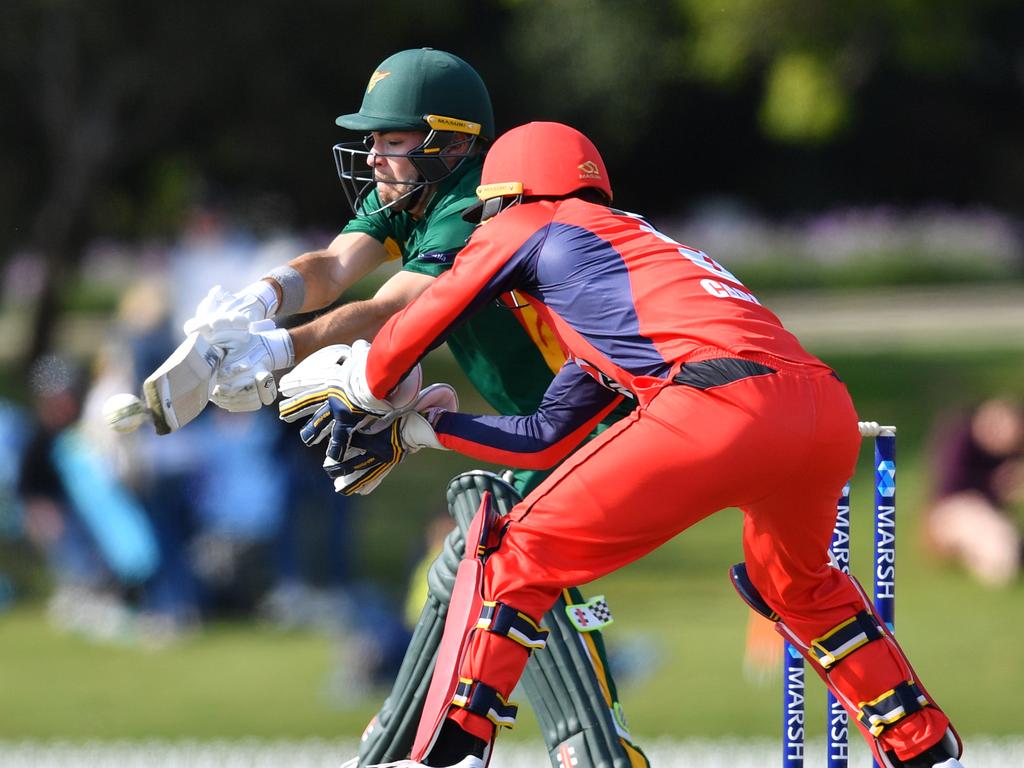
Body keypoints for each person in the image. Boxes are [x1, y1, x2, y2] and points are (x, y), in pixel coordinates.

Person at [292, 122, 967, 768]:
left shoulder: (536, 219)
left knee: (512, 549)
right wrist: (421, 429)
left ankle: (449, 752)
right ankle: (925, 750)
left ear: (512, 195)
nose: (482, 232)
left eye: (485, 215)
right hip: (821, 411)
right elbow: (542, 439)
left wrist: (367, 382)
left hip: (715, 403)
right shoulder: (622, 272)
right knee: (801, 590)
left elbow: (430, 309)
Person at [182, 49, 645, 767]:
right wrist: (261, 298)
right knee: (463, 560)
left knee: (501, 556)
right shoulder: (411, 194)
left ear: (451, 141)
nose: (372, 156)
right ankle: (412, 744)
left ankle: (585, 748)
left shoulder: (472, 205)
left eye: (389, 139)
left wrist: (280, 352)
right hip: (544, 425)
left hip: (592, 420)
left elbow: (393, 309)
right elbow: (335, 266)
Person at [924, 397, 1023, 587]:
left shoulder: (1005, 451)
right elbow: (952, 484)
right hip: (953, 511)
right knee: (999, 554)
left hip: (985, 513)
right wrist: (997, 485)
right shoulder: (961, 438)